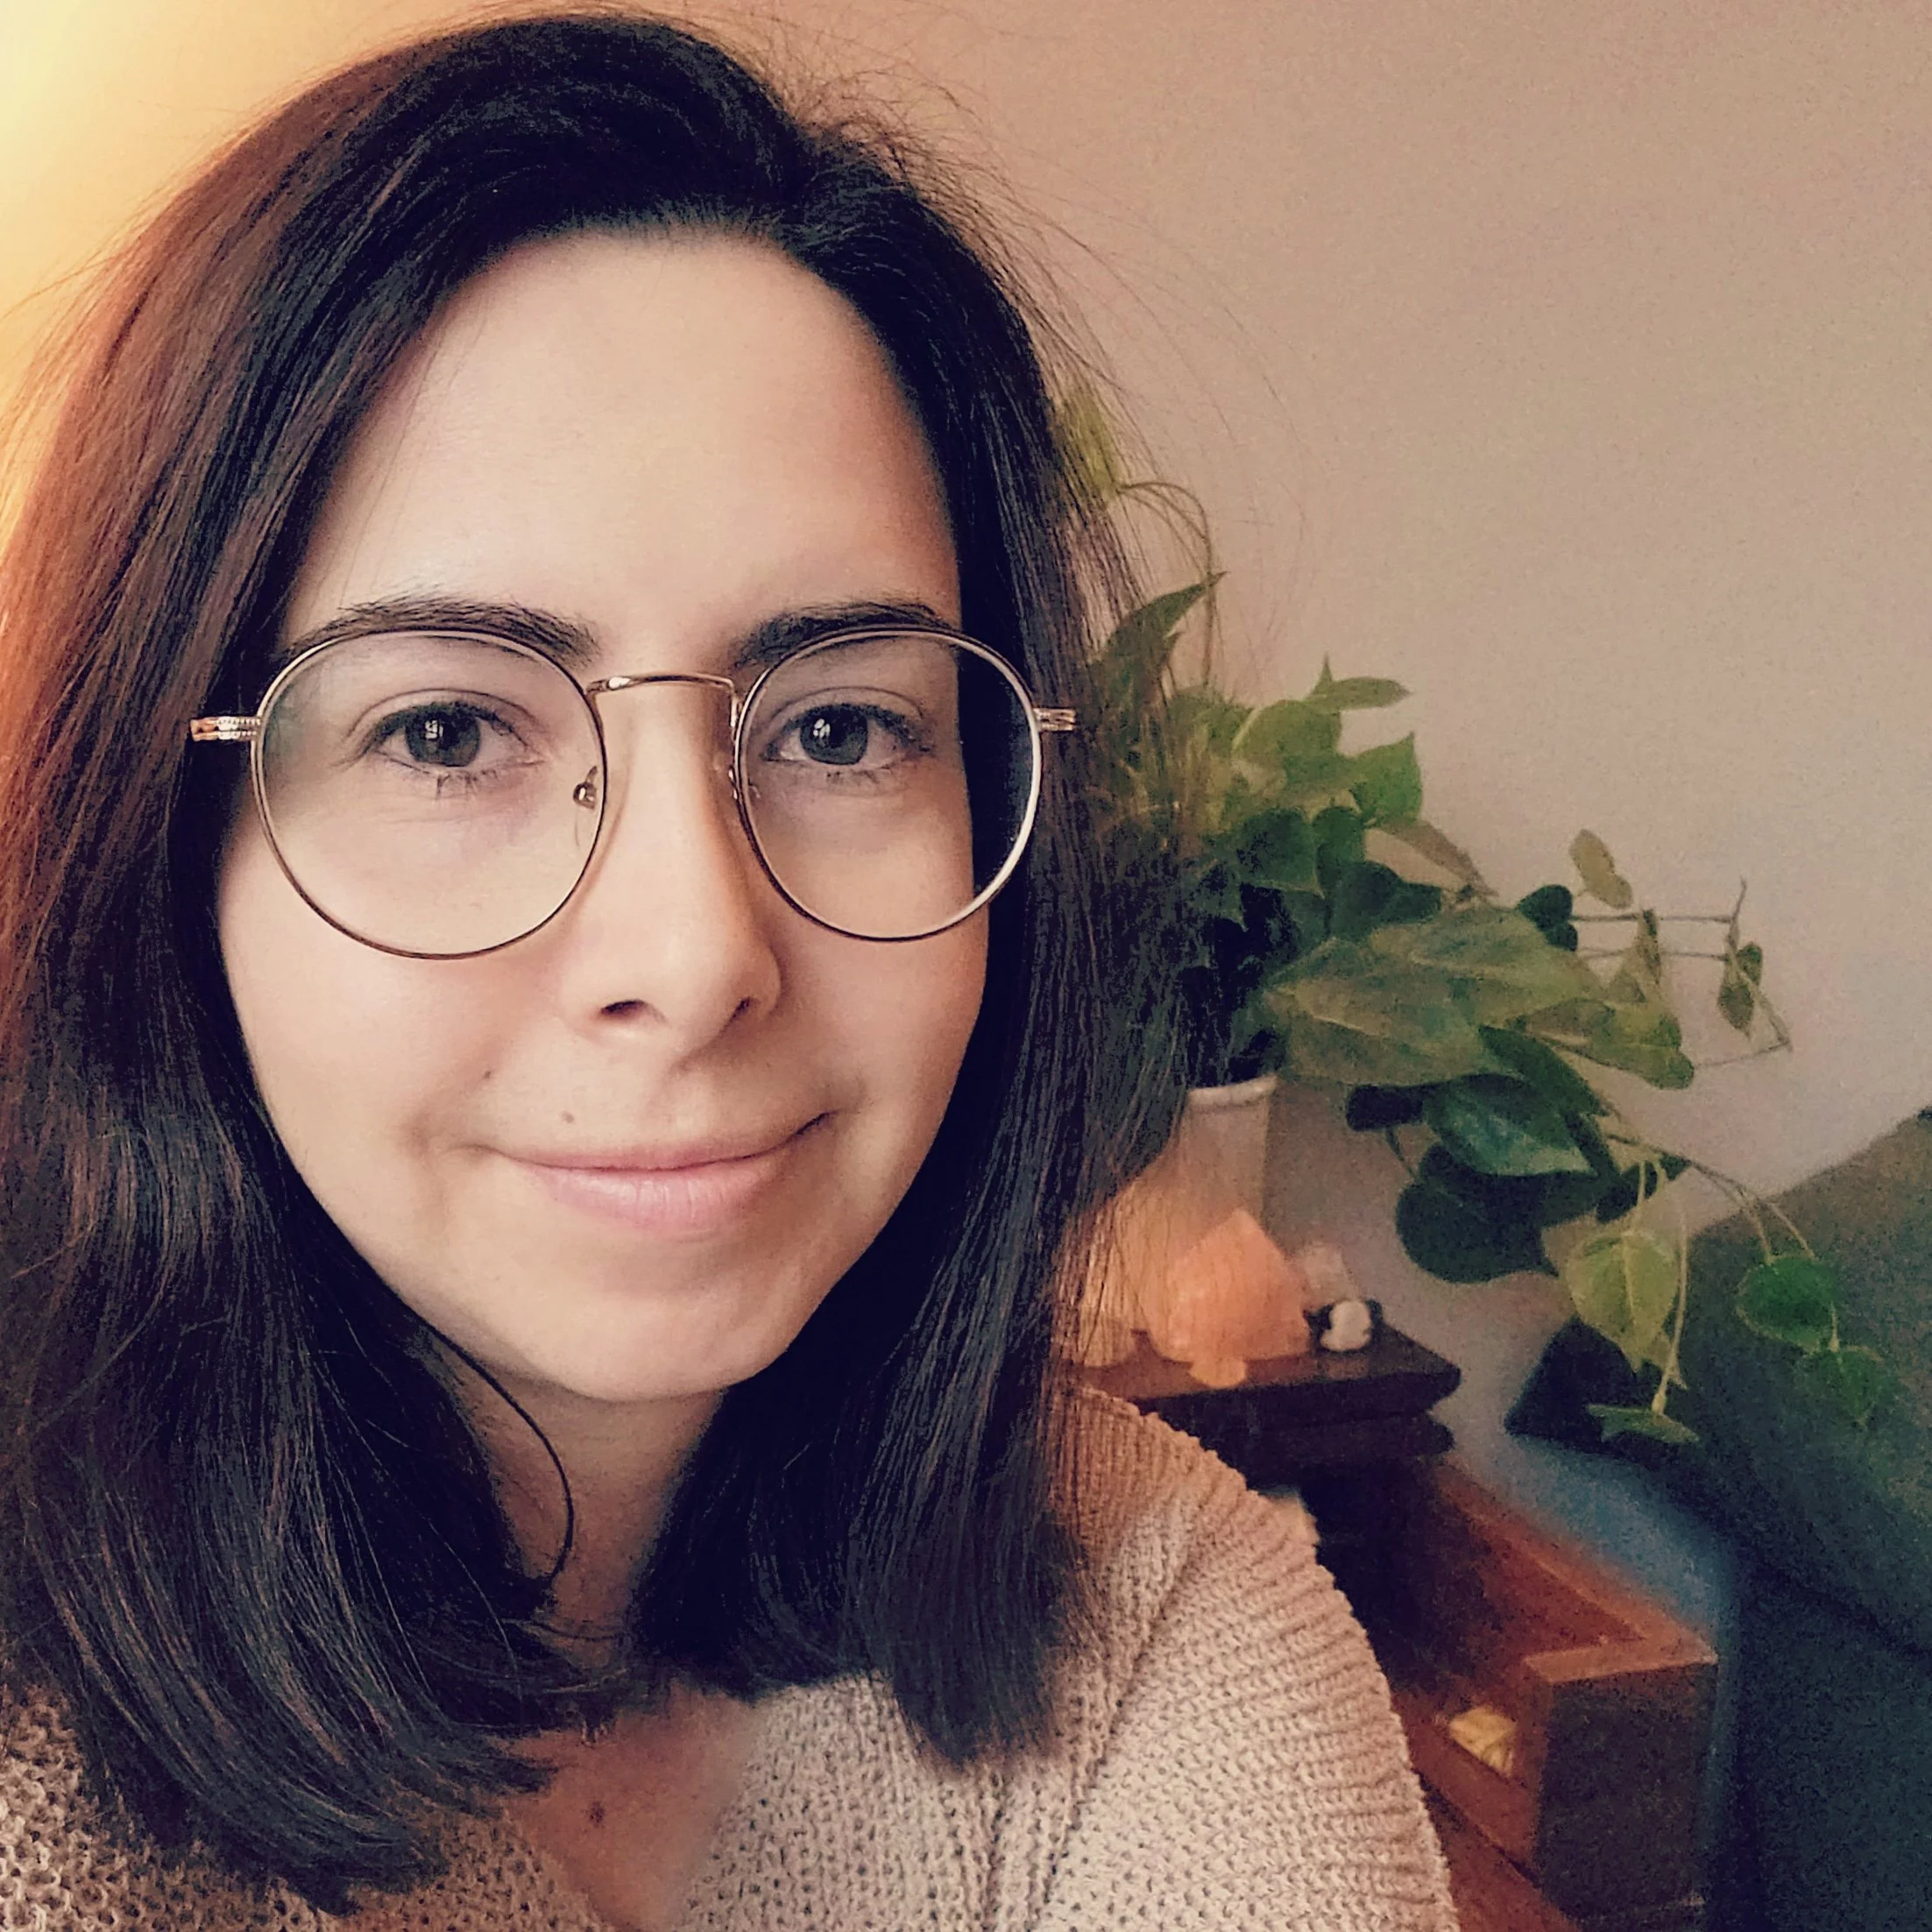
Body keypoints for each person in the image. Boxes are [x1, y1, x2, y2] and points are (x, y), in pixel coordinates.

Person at [0, 12, 1457, 1928]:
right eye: (447, 733)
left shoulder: (1152, 1606)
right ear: (154, 841)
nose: (694, 956)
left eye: (843, 729)